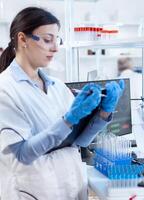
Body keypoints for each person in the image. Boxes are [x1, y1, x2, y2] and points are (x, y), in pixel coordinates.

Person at [0, 7, 124, 200]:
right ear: (23, 39)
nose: (56, 48)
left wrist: (103, 114)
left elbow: (78, 143)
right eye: (48, 39)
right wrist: (68, 120)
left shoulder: (57, 86)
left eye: (57, 40)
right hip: (34, 192)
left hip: (71, 187)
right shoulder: (5, 89)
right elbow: (22, 154)